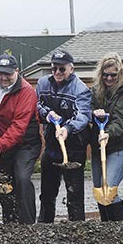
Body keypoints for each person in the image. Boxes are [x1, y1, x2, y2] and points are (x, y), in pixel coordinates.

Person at [0, 53, 42, 224]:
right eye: (0, 73)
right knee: (3, 181)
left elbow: (19, 126)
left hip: (26, 144)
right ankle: (9, 222)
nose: (4, 77)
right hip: (2, 144)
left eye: (8, 74)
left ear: (17, 71)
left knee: (22, 178)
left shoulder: (26, 92)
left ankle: (27, 224)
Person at [36, 50, 91, 222]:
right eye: (54, 68)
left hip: (74, 144)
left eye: (62, 69)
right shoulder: (43, 83)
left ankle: (77, 228)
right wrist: (47, 114)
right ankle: (45, 227)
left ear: (71, 68)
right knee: (47, 192)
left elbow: (83, 115)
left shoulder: (80, 89)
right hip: (52, 143)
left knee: (74, 192)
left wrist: (67, 128)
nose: (58, 73)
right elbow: (37, 104)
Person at [90, 52, 123, 221]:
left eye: (113, 75)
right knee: (99, 189)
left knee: (109, 188)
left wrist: (108, 133)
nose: (109, 78)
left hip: (119, 147)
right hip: (98, 147)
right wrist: (93, 112)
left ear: (120, 74)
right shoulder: (95, 91)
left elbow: (121, 120)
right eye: (105, 74)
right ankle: (106, 229)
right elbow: (87, 109)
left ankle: (118, 229)